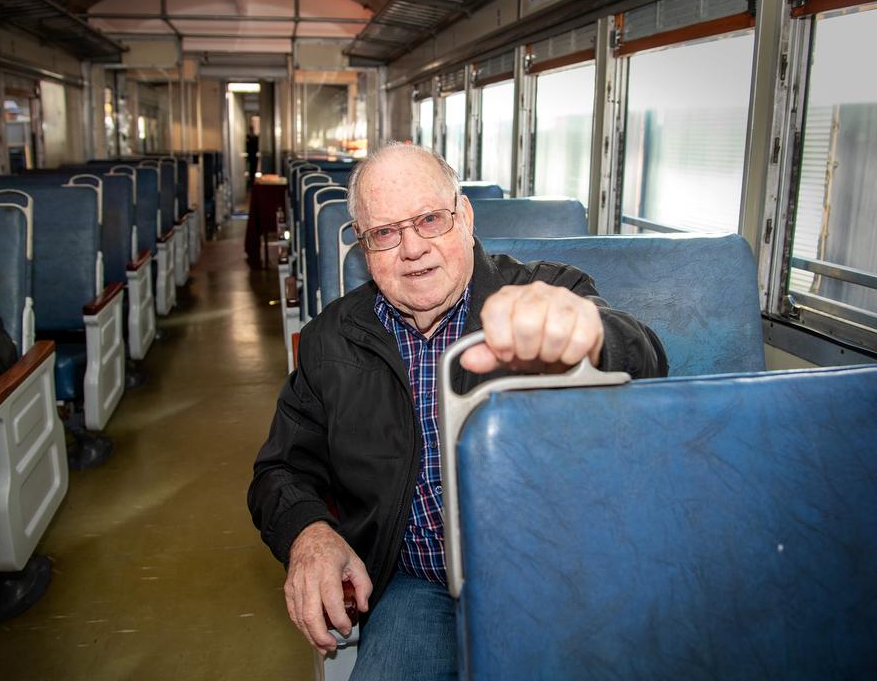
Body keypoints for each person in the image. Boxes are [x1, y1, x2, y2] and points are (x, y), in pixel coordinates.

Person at [248, 143, 668, 679]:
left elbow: (648, 359)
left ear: (464, 217)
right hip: (418, 584)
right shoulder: (332, 341)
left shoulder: (549, 292)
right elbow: (280, 469)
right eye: (385, 233)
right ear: (363, 244)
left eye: (429, 219)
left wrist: (589, 337)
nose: (413, 249)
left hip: (559, 572)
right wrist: (308, 532)